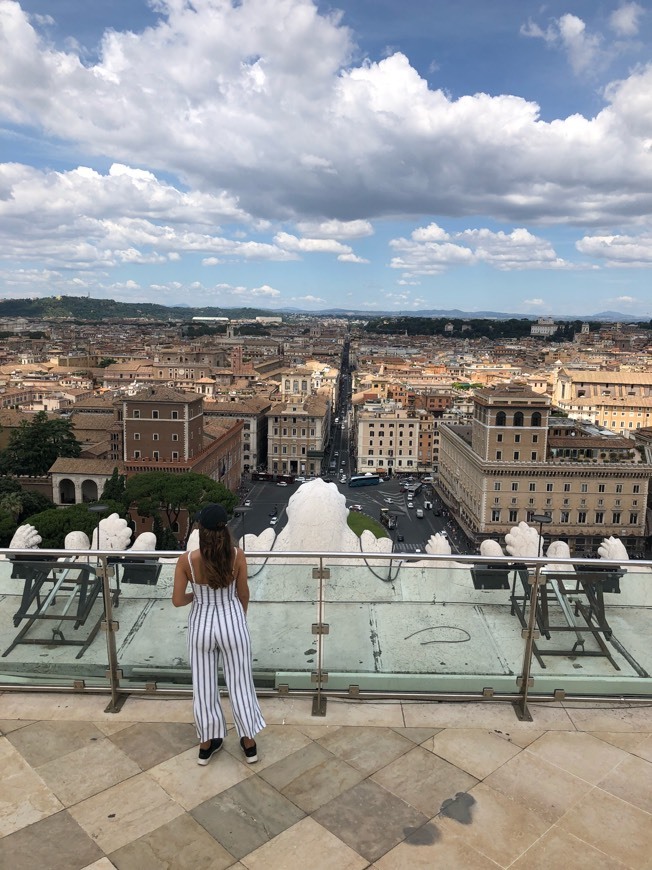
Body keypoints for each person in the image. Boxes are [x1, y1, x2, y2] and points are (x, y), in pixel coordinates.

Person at [173, 503, 265, 766]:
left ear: (200, 530)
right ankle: (249, 744)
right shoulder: (237, 556)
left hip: (201, 625)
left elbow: (178, 600)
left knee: (203, 686)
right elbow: (243, 593)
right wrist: (239, 617)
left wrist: (199, 595)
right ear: (225, 529)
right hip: (232, 620)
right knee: (241, 684)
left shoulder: (186, 561)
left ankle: (206, 745)